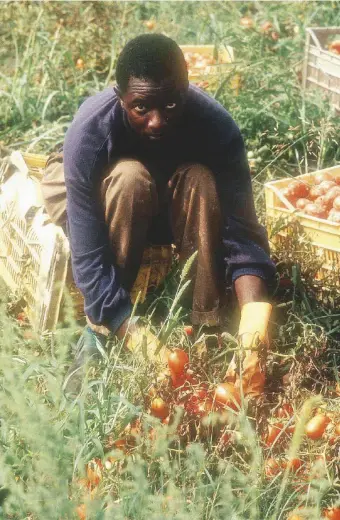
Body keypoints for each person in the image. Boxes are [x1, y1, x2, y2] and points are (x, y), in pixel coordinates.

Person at [41, 34, 276, 399]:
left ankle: (206, 328)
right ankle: (103, 329)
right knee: (129, 179)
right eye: (140, 109)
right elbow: (89, 253)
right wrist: (130, 332)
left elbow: (244, 236)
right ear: (120, 97)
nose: (156, 122)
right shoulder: (90, 133)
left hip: (168, 195)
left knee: (200, 178)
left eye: (170, 104)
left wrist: (254, 325)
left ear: (187, 90)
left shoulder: (217, 128)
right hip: (109, 199)